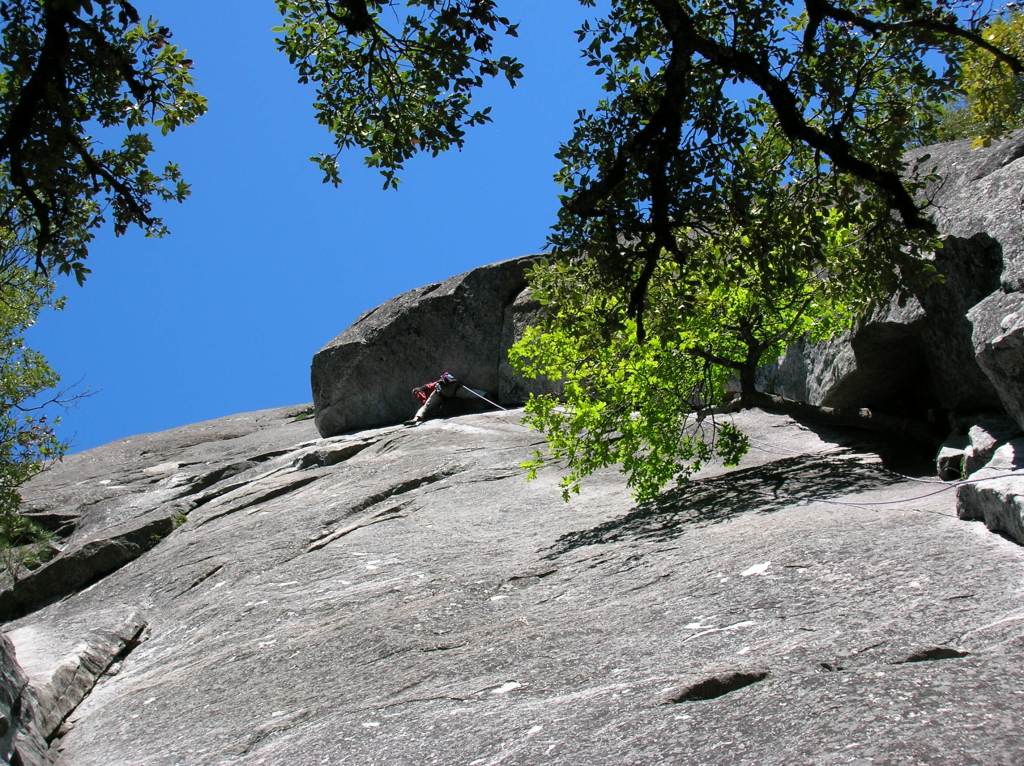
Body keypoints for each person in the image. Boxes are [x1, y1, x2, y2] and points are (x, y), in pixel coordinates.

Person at [407, 371, 486, 425]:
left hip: (448, 392)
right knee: (426, 407)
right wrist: (420, 389)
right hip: (442, 393)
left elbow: (471, 392)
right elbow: (427, 387)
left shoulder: (449, 384)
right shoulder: (437, 386)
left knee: (426, 407)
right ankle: (416, 419)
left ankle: (416, 419)